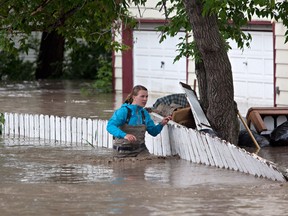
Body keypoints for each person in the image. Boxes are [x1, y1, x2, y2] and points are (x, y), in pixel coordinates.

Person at [106, 85, 171, 157]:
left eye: (146, 97)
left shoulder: (144, 113)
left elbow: (153, 132)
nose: (145, 99)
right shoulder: (123, 111)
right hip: (122, 152)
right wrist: (125, 135)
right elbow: (110, 126)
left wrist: (161, 124)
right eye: (142, 96)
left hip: (141, 151)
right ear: (134, 97)